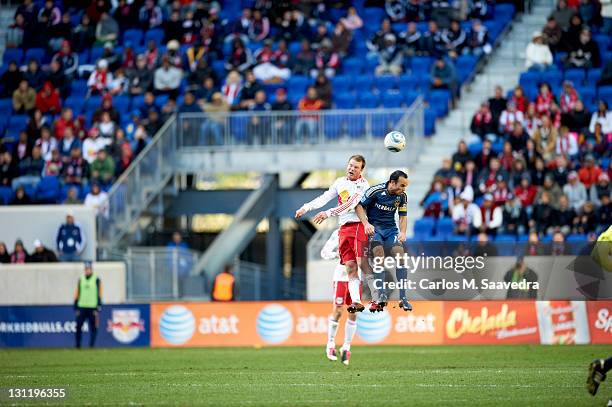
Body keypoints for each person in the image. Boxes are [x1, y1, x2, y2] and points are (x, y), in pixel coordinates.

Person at [295, 155, 370, 313]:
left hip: (357, 226)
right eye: (350, 165)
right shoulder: (339, 182)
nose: (351, 168)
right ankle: (356, 301)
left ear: (361, 170)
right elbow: (324, 198)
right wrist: (306, 208)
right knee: (350, 266)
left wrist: (327, 213)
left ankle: (378, 291)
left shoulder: (363, 185)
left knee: (360, 262)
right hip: (343, 228)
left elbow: (350, 205)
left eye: (356, 167)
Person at [355, 170, 412, 313]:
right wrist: (366, 224)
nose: (404, 189)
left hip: (391, 230)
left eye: (405, 186)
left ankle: (403, 298)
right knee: (379, 256)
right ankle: (381, 295)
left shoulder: (402, 196)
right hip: (375, 230)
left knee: (401, 257)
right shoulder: (375, 191)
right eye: (402, 185)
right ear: (392, 183)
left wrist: (403, 232)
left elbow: (403, 216)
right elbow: (359, 206)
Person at [321, 229, 358, 366]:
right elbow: (324, 253)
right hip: (341, 276)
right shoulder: (339, 232)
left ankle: (346, 347)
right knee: (338, 310)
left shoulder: (364, 231)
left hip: (356, 277)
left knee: (353, 311)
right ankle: (330, 344)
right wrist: (339, 255)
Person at [74, 261, 102, 349]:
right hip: (82, 306)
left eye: (89, 269)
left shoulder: (96, 279)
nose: (87, 270)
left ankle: (91, 346)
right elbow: (77, 292)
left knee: (93, 327)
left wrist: (99, 305)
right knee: (78, 326)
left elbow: (100, 293)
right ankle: (78, 345)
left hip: (92, 307)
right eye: (86, 269)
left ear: (91, 269)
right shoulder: (81, 279)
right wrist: (75, 304)